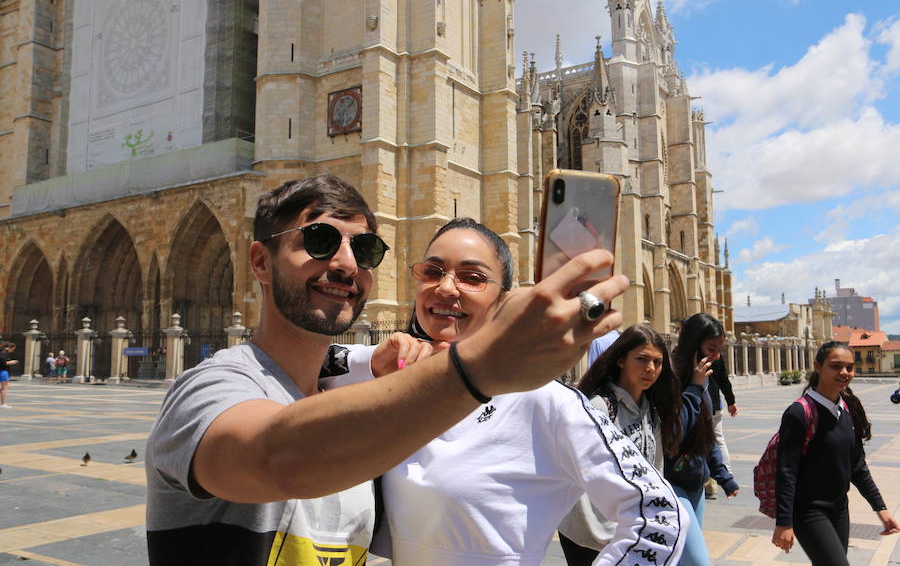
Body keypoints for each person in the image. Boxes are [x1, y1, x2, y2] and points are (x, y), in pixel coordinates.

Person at [144, 175, 631, 565]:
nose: (344, 263)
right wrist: (480, 367)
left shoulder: (350, 388)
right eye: (318, 240)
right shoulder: (211, 387)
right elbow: (279, 459)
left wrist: (374, 362)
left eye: (365, 250)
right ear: (261, 261)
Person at [324, 218, 686, 565]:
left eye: (473, 278)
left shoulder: (547, 402)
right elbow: (305, 364)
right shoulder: (398, 379)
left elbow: (660, 515)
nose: (446, 287)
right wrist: (374, 361)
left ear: (504, 302)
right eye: (433, 272)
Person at [556, 324, 683, 565]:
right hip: (590, 535)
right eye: (642, 359)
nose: (651, 369)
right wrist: (608, 534)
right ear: (621, 360)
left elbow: (653, 473)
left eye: (657, 362)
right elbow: (582, 479)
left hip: (629, 530)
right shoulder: (600, 408)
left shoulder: (651, 411)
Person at [772, 341, 899, 565]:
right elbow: (786, 471)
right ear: (818, 367)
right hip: (808, 511)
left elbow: (857, 467)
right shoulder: (799, 412)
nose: (844, 372)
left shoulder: (846, 409)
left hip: (839, 508)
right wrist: (784, 522)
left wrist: (881, 508)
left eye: (849, 367)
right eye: (836, 366)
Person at [666, 312, 739, 566]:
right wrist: (695, 388)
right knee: (697, 562)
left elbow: (705, 435)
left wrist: (723, 476)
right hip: (670, 482)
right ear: (693, 344)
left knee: (680, 560)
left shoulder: (703, 382)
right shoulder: (668, 379)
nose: (716, 357)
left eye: (719, 350)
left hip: (695, 481)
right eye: (711, 349)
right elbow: (675, 433)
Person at [704, 356, 738, 499]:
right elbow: (724, 379)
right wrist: (731, 401)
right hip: (715, 404)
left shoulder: (689, 352)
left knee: (704, 442)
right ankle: (726, 476)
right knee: (718, 440)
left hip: (701, 405)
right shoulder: (716, 355)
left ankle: (712, 484)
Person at [0, 341, 17, 408]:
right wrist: (11, 362)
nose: (13, 351)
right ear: (10, 348)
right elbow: (3, 363)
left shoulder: (2, 352)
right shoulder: (3, 353)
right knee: (4, 388)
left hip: (2, 371)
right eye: (13, 349)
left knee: (3, 388)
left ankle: (3, 403)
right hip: (3, 371)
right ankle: (3, 404)